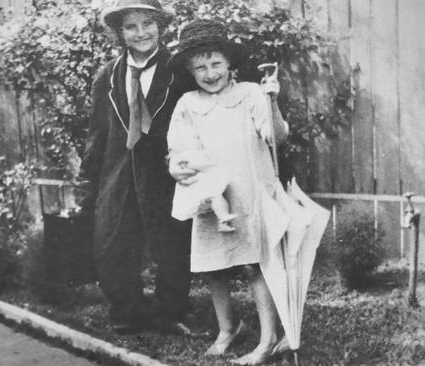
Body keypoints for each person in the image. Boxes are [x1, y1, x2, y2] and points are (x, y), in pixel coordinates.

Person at [167, 19, 290, 365]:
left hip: (250, 197)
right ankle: (228, 327)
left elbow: (275, 138)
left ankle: (268, 339)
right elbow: (179, 151)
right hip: (213, 199)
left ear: (229, 64)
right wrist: (177, 167)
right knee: (214, 267)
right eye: (200, 67)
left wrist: (273, 102)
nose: (209, 73)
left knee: (255, 266)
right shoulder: (188, 104)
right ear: (190, 70)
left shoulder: (251, 93)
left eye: (216, 64)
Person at [78, 0, 196, 335]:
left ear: (160, 25)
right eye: (131, 27)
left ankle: (169, 311)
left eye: (147, 23)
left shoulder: (179, 70)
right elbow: (97, 132)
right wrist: (88, 181)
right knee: (113, 240)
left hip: (165, 170)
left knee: (171, 240)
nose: (140, 32)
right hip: (118, 171)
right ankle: (126, 311)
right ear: (120, 32)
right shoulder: (108, 75)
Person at [168, 121, 237, 232]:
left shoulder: (194, 152)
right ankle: (222, 218)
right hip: (199, 186)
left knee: (217, 198)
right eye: (195, 138)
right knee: (216, 197)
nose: (198, 140)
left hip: (204, 183)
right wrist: (213, 162)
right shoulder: (188, 155)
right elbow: (199, 165)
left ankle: (223, 219)